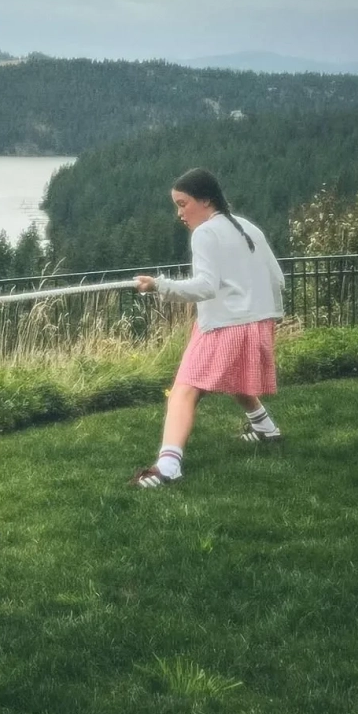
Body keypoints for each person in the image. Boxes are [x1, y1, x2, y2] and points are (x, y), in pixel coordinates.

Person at [131, 168, 286, 489]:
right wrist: (266, 314)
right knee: (236, 376)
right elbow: (278, 279)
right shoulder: (248, 228)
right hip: (258, 324)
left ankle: (168, 466)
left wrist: (158, 285)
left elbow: (205, 287)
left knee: (184, 391)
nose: (179, 213)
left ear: (205, 200)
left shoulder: (204, 233)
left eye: (183, 204)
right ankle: (266, 429)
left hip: (223, 327)